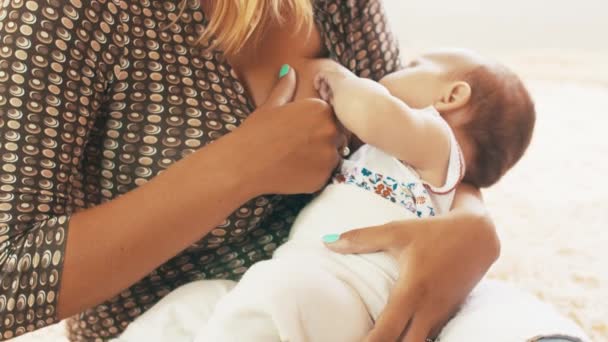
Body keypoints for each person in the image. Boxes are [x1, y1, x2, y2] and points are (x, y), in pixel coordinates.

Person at [0, 1, 587, 341]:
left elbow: (421, 138)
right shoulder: (65, 14)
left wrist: (472, 230)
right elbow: (8, 275)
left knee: (508, 318)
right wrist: (239, 167)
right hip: (219, 310)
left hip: (360, 281)